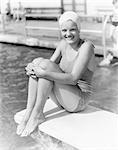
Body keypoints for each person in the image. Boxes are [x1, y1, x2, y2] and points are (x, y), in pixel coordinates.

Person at [16, 11, 96, 137]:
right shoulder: (63, 44)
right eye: (64, 30)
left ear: (79, 29)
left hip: (78, 101)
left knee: (44, 68)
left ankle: (37, 114)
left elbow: (74, 78)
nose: (68, 34)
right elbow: (47, 64)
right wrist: (32, 68)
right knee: (38, 62)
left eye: (73, 30)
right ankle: (29, 112)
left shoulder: (87, 47)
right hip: (63, 98)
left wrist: (43, 72)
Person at [99, 0, 118, 67]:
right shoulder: (113, 9)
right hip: (113, 25)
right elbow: (111, 16)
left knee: (116, 39)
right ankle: (114, 50)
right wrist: (109, 16)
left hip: (117, 25)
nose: (115, 4)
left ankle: (114, 54)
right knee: (111, 36)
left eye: (116, 3)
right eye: (114, 3)